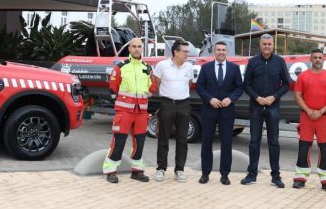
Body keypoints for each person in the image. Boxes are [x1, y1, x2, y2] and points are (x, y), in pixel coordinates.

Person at [103, 38, 155, 183]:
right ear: (129, 49)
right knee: (118, 142)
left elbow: (151, 89)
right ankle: (110, 171)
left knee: (140, 143)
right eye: (134, 46)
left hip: (141, 112)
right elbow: (113, 88)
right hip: (124, 111)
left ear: (142, 48)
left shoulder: (148, 68)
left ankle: (137, 171)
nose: (137, 49)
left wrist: (142, 100)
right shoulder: (120, 67)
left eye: (139, 46)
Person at [242, 33, 290, 187]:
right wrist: (257, 97)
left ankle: (276, 176)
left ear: (273, 45)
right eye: (264, 44)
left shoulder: (280, 62)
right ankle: (251, 175)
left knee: (274, 142)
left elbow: (287, 84)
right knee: (254, 141)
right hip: (256, 106)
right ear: (260, 45)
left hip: (273, 107)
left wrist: (273, 97)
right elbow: (246, 85)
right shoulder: (253, 62)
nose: (267, 46)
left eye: (269, 44)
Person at [195, 41, 244, 185]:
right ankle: (205, 173)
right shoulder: (205, 68)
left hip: (227, 112)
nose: (221, 52)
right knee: (207, 142)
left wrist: (231, 98)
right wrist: (209, 99)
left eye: (223, 50)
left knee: (227, 144)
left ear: (226, 52)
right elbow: (199, 86)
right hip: (209, 111)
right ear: (214, 52)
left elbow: (239, 88)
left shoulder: (234, 69)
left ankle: (225, 175)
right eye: (218, 50)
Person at [292, 49, 326, 190]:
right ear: (310, 59)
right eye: (315, 57)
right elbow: (297, 95)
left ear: (323, 59)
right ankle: (300, 178)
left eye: (320, 57)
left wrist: (321, 111)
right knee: (303, 148)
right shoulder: (303, 76)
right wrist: (308, 110)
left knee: (325, 149)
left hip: (323, 117)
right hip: (306, 117)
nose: (318, 60)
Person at [152, 39, 194, 182]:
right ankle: (161, 169)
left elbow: (188, 84)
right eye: (184, 51)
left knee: (183, 139)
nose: (186, 54)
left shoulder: (189, 67)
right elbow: (156, 84)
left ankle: (179, 170)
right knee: (163, 138)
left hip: (184, 104)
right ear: (175, 52)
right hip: (167, 103)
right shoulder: (162, 65)